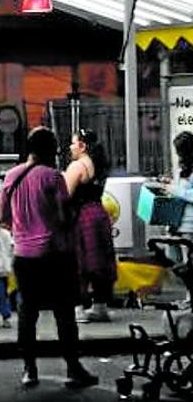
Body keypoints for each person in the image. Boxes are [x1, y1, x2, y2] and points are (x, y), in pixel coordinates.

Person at [0, 126, 98, 389]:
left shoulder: (10, 177)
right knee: (64, 313)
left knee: (27, 312)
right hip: (55, 254)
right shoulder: (53, 177)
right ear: (48, 150)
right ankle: (73, 368)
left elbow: (4, 218)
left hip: (23, 255)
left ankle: (29, 370)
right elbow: (64, 217)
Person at [64, 129, 117, 323]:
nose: (70, 146)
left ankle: (78, 308)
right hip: (98, 214)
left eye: (73, 143)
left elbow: (65, 195)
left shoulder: (77, 166)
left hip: (81, 216)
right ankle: (100, 306)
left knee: (79, 263)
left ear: (82, 146)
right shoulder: (99, 164)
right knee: (99, 263)